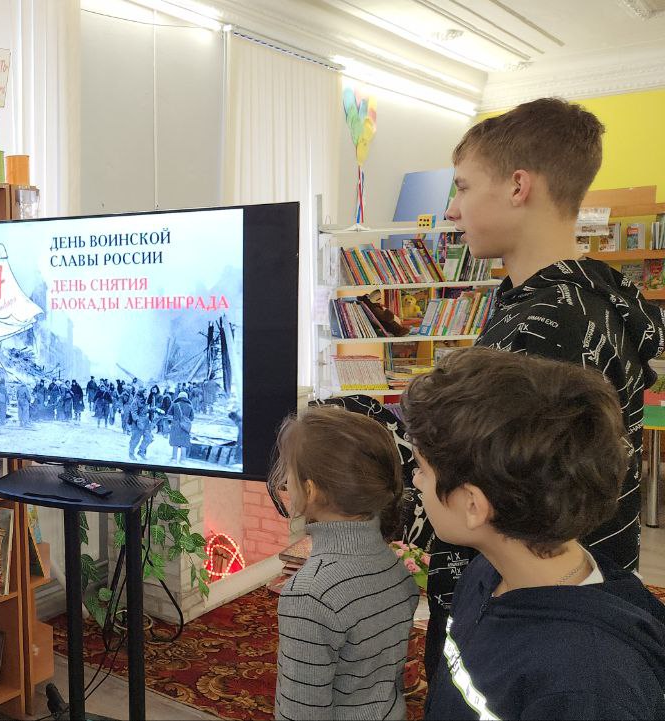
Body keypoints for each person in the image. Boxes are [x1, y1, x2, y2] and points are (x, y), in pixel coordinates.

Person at [422, 97, 665, 685]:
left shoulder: (539, 331)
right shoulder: (596, 300)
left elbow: (496, 486)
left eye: (461, 187)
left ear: (517, 186)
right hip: (583, 582)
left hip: (524, 612)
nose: (452, 210)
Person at [404, 348, 665, 719]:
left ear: (473, 505)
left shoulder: (588, 685)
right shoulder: (486, 573)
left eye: (423, 471)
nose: (416, 481)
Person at [269, 405, 419, 720]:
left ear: (309, 490)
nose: (284, 482)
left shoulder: (309, 593)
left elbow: (302, 712)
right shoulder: (393, 567)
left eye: (289, 474)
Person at [168, 391, 194, 461]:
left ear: (179, 397)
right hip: (185, 426)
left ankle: (174, 458)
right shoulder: (190, 406)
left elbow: (169, 414)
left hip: (175, 425)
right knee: (184, 443)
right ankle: (183, 459)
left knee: (175, 442)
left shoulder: (175, 404)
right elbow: (192, 418)